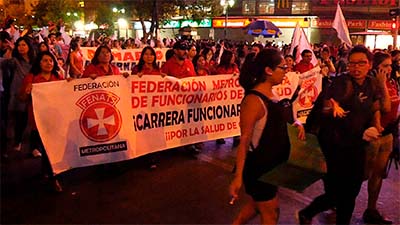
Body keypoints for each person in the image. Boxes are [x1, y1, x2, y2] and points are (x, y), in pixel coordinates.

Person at [298, 45, 382, 225]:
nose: (356, 67)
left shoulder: (371, 83)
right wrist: (332, 108)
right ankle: (308, 212)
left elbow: (375, 106)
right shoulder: (341, 83)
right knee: (337, 193)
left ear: (369, 64)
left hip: (358, 145)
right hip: (335, 146)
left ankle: (311, 213)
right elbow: (327, 105)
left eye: (361, 63)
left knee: (351, 191)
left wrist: (376, 125)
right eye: (352, 63)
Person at [230, 48, 305, 225]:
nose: (286, 71)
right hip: (258, 169)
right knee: (271, 213)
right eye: (283, 67)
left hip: (272, 167)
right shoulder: (253, 101)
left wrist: (296, 125)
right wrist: (238, 177)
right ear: (268, 70)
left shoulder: (273, 93)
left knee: (256, 206)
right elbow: (244, 142)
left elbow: (279, 123)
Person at [363, 52, 398, 224]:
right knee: (362, 174)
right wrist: (382, 86)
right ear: (375, 67)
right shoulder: (372, 85)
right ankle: (336, 200)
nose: (389, 69)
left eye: (390, 65)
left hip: (387, 135)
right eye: (385, 66)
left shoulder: (392, 83)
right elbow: (384, 108)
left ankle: (371, 209)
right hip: (372, 136)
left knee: (377, 174)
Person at [19, 51, 63, 192]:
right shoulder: (31, 78)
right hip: (38, 120)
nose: (49, 63)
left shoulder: (57, 77)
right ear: (39, 63)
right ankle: (53, 177)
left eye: (51, 60)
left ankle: (48, 171)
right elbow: (21, 98)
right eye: (45, 60)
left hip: (55, 119)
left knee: (51, 148)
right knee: (46, 148)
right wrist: (27, 91)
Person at [2, 36, 35, 152]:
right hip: (16, 92)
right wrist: (10, 50)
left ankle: (18, 140)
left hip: (29, 93)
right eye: (19, 45)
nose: (21, 47)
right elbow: (4, 62)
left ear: (29, 47)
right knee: (13, 117)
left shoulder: (34, 61)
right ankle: (11, 143)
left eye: (24, 45)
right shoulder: (15, 60)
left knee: (24, 118)